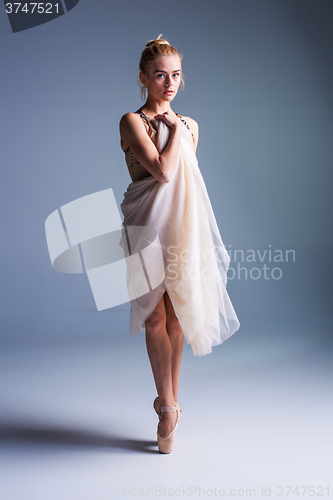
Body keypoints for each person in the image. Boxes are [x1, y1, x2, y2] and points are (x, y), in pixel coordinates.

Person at [119, 35, 240, 454]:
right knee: (153, 320)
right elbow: (163, 173)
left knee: (176, 319)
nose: (169, 83)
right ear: (143, 79)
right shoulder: (134, 122)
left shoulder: (191, 125)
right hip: (143, 226)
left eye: (175, 75)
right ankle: (168, 408)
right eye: (160, 76)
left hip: (180, 229)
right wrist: (171, 128)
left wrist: (177, 127)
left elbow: (187, 190)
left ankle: (169, 403)